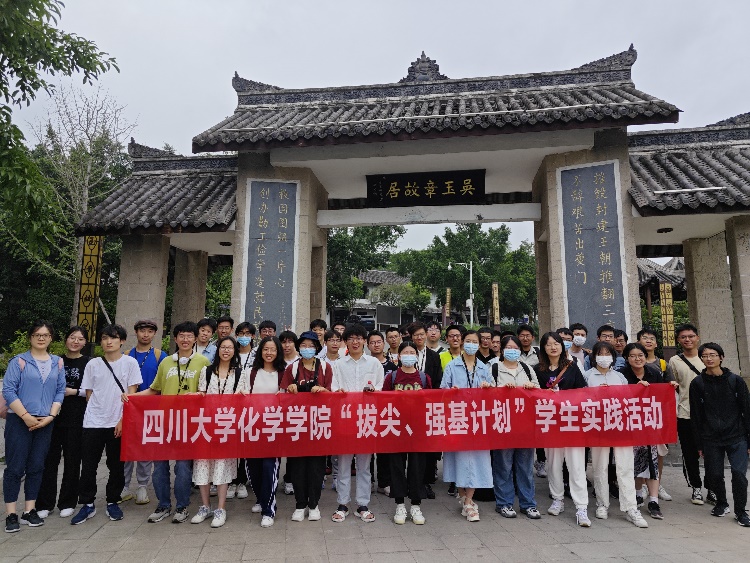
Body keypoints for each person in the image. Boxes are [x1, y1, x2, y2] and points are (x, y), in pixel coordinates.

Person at [135, 321, 211, 524]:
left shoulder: (203, 362)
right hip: (165, 422)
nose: (185, 339)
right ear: (175, 339)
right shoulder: (166, 362)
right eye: (181, 336)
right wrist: (132, 397)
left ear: (195, 339)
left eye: (189, 336)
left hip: (189, 423)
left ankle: (182, 506)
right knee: (159, 466)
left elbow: (207, 392)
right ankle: (163, 505)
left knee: (183, 467)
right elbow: (154, 389)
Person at [71, 324, 142, 525]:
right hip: (93, 421)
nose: (108, 342)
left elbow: (132, 396)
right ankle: (87, 503)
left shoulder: (130, 363)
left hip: (118, 422)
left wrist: (122, 420)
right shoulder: (93, 364)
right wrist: (97, 413)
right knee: (88, 465)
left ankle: (113, 500)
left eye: (113, 337)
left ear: (122, 341)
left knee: (116, 465)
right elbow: (89, 393)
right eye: (104, 338)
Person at [3, 321, 66, 533]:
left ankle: (29, 510)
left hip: (45, 422)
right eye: (37, 334)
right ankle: (11, 513)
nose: (41, 338)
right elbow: (9, 390)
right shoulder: (19, 361)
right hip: (19, 421)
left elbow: (60, 390)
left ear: (51, 338)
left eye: (45, 335)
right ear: (30, 337)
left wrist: (51, 416)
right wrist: (26, 416)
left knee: (37, 466)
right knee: (15, 468)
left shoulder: (57, 362)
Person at [584, 341, 648, 528]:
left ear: (613, 357)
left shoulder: (619, 377)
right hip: (597, 427)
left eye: (608, 353)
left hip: (620, 425)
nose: (604, 357)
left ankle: (630, 508)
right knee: (600, 466)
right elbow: (580, 401)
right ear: (594, 356)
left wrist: (640, 388)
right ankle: (602, 503)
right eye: (600, 353)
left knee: (625, 466)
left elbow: (629, 401)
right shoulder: (587, 376)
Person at [191, 336, 249, 528]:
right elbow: (202, 393)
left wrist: (243, 397)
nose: (226, 350)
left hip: (227, 426)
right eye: (223, 347)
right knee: (203, 464)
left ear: (234, 351)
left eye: (230, 347)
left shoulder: (240, 373)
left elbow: (245, 398)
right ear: (218, 350)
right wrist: (197, 395)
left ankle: (221, 508)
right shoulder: (207, 371)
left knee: (222, 466)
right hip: (206, 425)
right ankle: (205, 506)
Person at [690, 342, 750, 527]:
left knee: (739, 474)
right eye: (705, 356)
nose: (709, 358)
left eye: (713, 355)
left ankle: (741, 511)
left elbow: (747, 410)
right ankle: (722, 503)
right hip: (711, 438)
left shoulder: (735, 381)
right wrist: (699, 444)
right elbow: (696, 415)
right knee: (714, 475)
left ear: (721, 357)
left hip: (737, 436)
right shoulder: (697, 383)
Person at [534, 331, 590, 527]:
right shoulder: (537, 370)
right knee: (553, 464)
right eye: (548, 344)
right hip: (550, 423)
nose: (553, 347)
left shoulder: (572, 367)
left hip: (571, 422)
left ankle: (581, 507)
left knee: (576, 466)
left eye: (556, 343)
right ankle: (557, 499)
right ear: (543, 348)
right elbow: (532, 394)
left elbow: (583, 392)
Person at [36, 326, 91, 519]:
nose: (75, 341)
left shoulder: (89, 363)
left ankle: (68, 502)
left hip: (76, 418)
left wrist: (73, 391)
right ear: (65, 339)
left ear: (85, 342)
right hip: (51, 417)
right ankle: (44, 503)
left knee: (72, 460)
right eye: (72, 337)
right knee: (48, 461)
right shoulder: (54, 361)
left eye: (80, 339)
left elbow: (93, 389)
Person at [331, 323, 384, 523]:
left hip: (366, 419)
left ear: (364, 341)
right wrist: (339, 393)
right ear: (345, 342)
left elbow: (380, 387)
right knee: (343, 465)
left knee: (364, 466)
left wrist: (374, 391)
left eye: (359, 338)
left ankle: (363, 504)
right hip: (345, 420)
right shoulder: (338, 365)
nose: (355, 342)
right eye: (351, 338)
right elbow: (334, 388)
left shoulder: (374, 364)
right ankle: (342, 504)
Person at [441, 329, 494, 522]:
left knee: (478, 459)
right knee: (459, 459)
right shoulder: (452, 366)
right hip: (458, 419)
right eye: (468, 341)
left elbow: (493, 392)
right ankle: (463, 497)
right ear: (463, 343)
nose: (471, 345)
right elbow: (442, 391)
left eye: (475, 342)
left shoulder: (484, 367)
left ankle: (469, 500)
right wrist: (450, 391)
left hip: (478, 420)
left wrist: (488, 388)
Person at [282, 331, 332, 523]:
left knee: (316, 468)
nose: (307, 349)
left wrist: (324, 391)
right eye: (303, 345)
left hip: (319, 423)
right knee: (297, 467)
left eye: (311, 346)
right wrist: (290, 390)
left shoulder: (325, 367)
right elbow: (282, 396)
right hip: (297, 424)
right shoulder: (292, 368)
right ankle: (300, 504)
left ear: (317, 348)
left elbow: (334, 395)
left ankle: (314, 505)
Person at [490, 335, 541, 520]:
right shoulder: (494, 368)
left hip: (525, 425)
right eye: (509, 348)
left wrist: (531, 387)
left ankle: (528, 504)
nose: (513, 351)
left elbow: (539, 392)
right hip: (503, 424)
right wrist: (502, 389)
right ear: (502, 350)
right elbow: (487, 394)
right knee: (503, 466)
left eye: (516, 348)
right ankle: (504, 503)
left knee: (525, 467)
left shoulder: (527, 368)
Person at [382, 341, 431, 525]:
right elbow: (383, 401)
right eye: (405, 352)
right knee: (397, 466)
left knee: (417, 467)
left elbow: (430, 402)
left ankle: (416, 505)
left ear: (417, 356)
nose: (409, 355)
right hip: (396, 428)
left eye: (412, 352)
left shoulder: (424, 378)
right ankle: (400, 504)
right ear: (399, 356)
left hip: (418, 429)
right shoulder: (392, 377)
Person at [122, 319, 166, 505]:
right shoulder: (125, 355)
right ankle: (123, 486)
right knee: (127, 446)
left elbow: (162, 383)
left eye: (149, 331)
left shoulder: (160, 356)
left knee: (145, 448)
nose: (145, 334)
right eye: (142, 331)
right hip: (128, 407)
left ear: (154, 334)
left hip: (151, 408)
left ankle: (142, 486)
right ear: (136, 332)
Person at [620, 342, 666, 520]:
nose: (637, 359)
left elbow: (662, 396)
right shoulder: (622, 375)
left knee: (652, 461)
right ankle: (638, 493)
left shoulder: (654, 373)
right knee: (635, 461)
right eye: (633, 356)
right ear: (626, 358)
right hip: (629, 425)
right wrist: (635, 389)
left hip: (650, 424)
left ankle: (653, 500)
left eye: (640, 355)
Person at [246, 336, 285, 528]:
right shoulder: (250, 373)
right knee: (253, 468)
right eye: (265, 349)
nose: (269, 353)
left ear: (278, 352)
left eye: (273, 349)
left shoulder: (284, 373)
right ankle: (261, 498)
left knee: (270, 467)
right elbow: (241, 396)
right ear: (260, 351)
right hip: (252, 427)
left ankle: (269, 510)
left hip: (273, 429)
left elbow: (289, 399)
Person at [668, 323, 710, 505]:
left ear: (697, 338)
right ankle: (696, 488)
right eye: (683, 337)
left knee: (712, 453)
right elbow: (674, 387)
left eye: (691, 336)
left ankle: (713, 488)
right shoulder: (675, 361)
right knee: (689, 454)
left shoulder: (707, 357)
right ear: (678, 340)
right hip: (685, 413)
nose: (687, 339)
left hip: (709, 415)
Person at [636, 327, 677, 503]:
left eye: (652, 338)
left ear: (656, 343)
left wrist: (672, 385)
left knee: (658, 452)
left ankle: (657, 483)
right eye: (644, 338)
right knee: (640, 451)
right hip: (637, 415)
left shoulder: (662, 364)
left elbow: (668, 386)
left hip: (657, 413)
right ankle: (643, 485)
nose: (648, 341)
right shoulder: (632, 363)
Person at [408, 321, 443, 499]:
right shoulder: (406, 353)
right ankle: (411, 482)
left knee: (428, 447)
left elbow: (438, 381)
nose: (419, 338)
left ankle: (426, 482)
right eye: (416, 335)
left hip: (428, 407)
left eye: (422, 334)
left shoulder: (434, 356)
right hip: (408, 409)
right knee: (410, 446)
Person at [227, 321, 255, 500]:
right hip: (230, 404)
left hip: (251, 404)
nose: (244, 337)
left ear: (253, 336)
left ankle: (242, 481)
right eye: (241, 333)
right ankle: (231, 481)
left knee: (245, 445)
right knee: (231, 444)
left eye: (247, 334)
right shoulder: (231, 353)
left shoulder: (257, 354)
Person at [367, 330, 397, 496]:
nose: (376, 345)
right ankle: (369, 481)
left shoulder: (392, 367)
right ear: (368, 345)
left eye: (379, 342)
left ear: (383, 344)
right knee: (368, 449)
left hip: (386, 412)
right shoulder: (365, 364)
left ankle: (384, 482)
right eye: (372, 342)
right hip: (368, 411)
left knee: (385, 450)